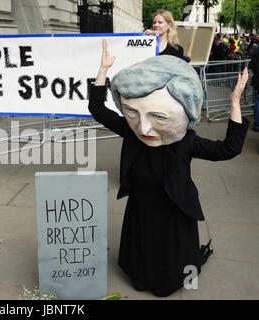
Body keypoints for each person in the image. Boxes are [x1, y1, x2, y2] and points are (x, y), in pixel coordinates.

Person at [88, 39, 250, 297]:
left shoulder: (186, 142)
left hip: (172, 209)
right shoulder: (132, 133)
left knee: (168, 254)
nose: (144, 128)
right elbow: (97, 109)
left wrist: (234, 104)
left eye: (159, 117)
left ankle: (167, 279)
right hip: (141, 207)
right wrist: (103, 70)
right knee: (143, 250)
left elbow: (227, 149)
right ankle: (141, 275)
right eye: (133, 114)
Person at [249, 45, 259, 132]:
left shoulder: (257, 50)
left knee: (257, 102)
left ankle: (257, 125)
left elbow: (251, 65)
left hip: (257, 81)